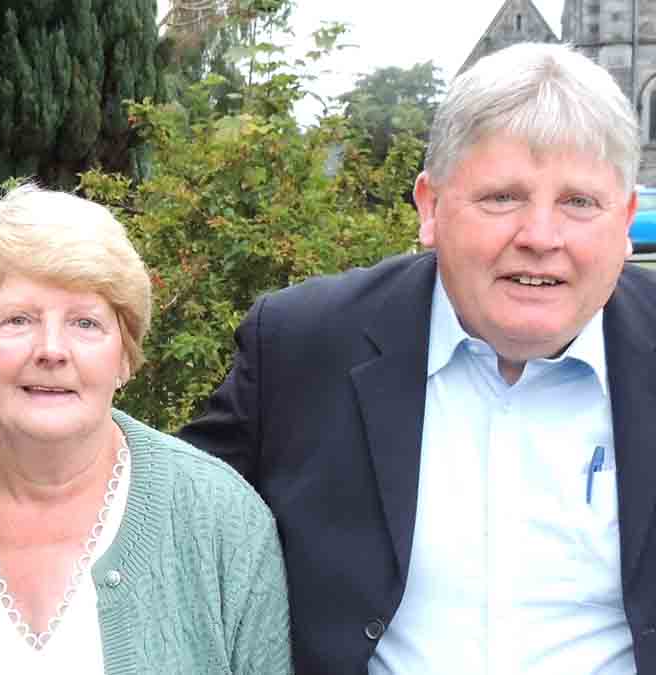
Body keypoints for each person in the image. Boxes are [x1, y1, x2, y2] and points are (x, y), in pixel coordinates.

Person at [180, 41, 656, 674]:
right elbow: (166, 519)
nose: (541, 237)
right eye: (502, 197)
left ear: (625, 221)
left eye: (579, 203)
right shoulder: (303, 346)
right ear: (430, 207)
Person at [0, 184, 292, 674]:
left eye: (85, 323)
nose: (52, 350)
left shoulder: (223, 519)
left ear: (125, 356)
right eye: (18, 320)